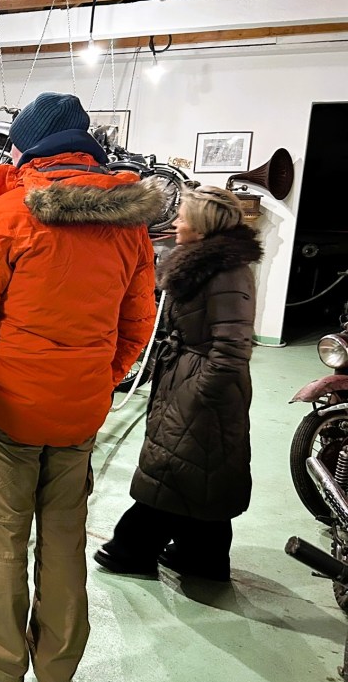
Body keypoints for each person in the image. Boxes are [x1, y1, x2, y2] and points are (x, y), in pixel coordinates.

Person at [0, 91, 162, 682]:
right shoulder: (128, 225)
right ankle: (57, 681)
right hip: (78, 415)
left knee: (1, 544)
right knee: (64, 545)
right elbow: (137, 325)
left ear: (28, 147)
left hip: (4, 415)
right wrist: (99, 379)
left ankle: (1, 668)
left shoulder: (7, 216)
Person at [94, 186, 261, 582]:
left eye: (184, 215)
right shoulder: (209, 264)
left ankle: (132, 548)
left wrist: (199, 392)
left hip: (202, 389)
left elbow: (233, 346)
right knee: (201, 472)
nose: (176, 221)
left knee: (172, 467)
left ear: (202, 227)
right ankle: (202, 557)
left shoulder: (226, 272)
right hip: (188, 379)